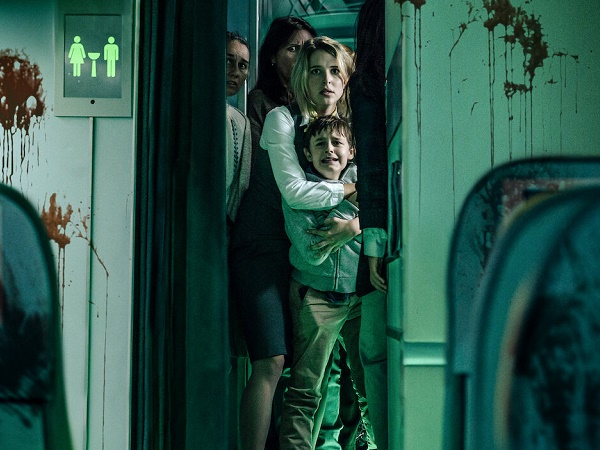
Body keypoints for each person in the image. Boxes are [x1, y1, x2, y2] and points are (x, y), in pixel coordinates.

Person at [229, 35, 359, 450]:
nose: (326, 80)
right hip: (266, 246)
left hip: (314, 257)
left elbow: (380, 198)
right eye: (316, 70)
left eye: (335, 71)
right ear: (302, 76)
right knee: (271, 361)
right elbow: (294, 191)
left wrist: (357, 225)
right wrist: (350, 191)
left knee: (323, 371)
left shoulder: (347, 130)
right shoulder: (281, 120)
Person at [279, 115, 374, 450]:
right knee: (306, 389)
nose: (329, 150)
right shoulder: (299, 194)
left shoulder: (367, 182)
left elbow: (386, 218)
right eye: (320, 144)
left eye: (337, 143)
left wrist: (353, 225)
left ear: (352, 151)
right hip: (315, 296)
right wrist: (353, 208)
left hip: (359, 297)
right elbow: (312, 252)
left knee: (370, 386)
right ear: (307, 153)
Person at [349, 0, 389, 448]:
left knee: (374, 353)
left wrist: (373, 242)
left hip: (383, 237)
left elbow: (374, 164)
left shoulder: (366, 83)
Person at [225, 31, 252, 227]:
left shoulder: (241, 122)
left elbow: (240, 185)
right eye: (228, 61)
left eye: (243, 66)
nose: (235, 72)